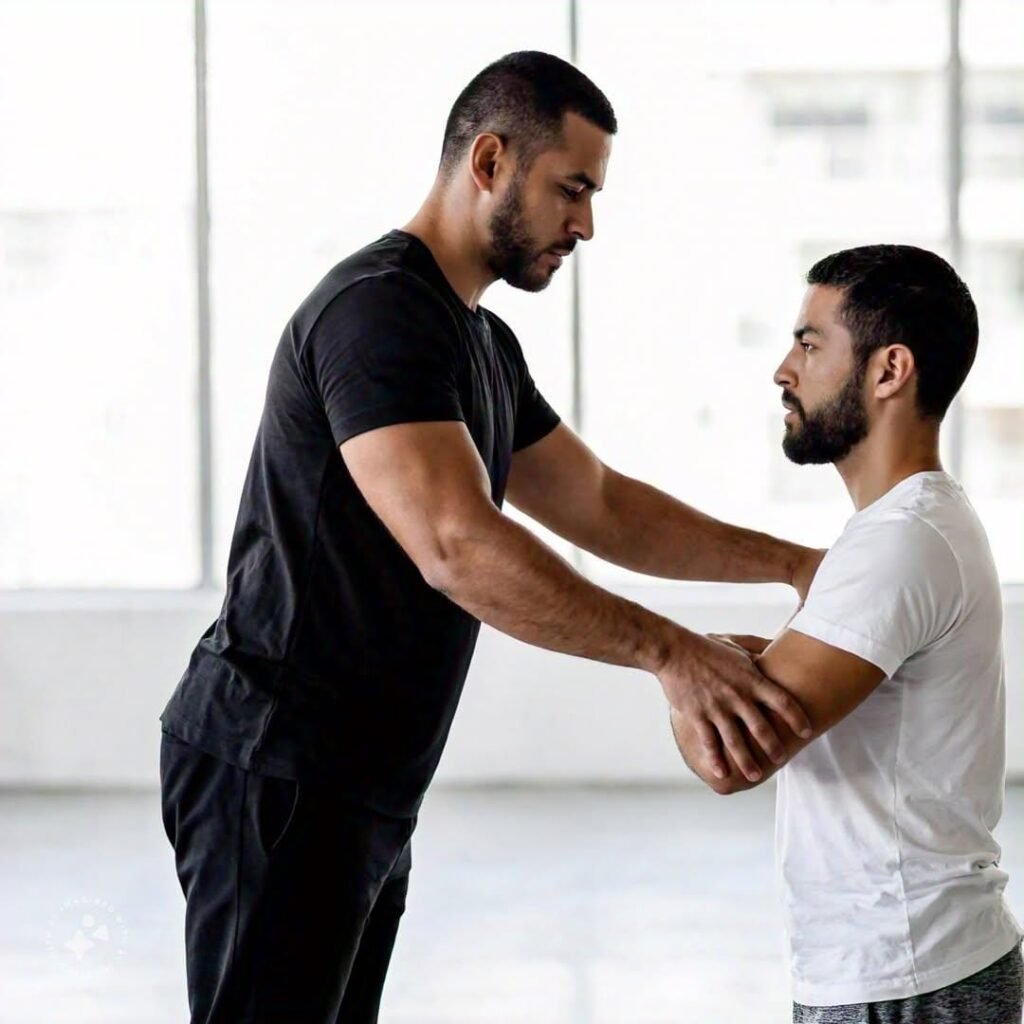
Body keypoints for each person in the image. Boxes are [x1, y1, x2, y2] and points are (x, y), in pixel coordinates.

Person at [159, 50, 822, 1023]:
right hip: (277, 767)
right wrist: (670, 654)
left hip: (359, 781)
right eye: (572, 189)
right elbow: (455, 545)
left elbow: (599, 504)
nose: (586, 223)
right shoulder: (377, 312)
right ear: (489, 161)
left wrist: (790, 563)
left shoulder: (475, 341)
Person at [672, 244, 1024, 1024]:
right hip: (902, 970)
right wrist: (742, 666)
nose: (782, 371)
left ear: (888, 369)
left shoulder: (899, 542)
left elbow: (733, 754)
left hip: (905, 977)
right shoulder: (903, 530)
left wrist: (686, 664)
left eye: (808, 343)